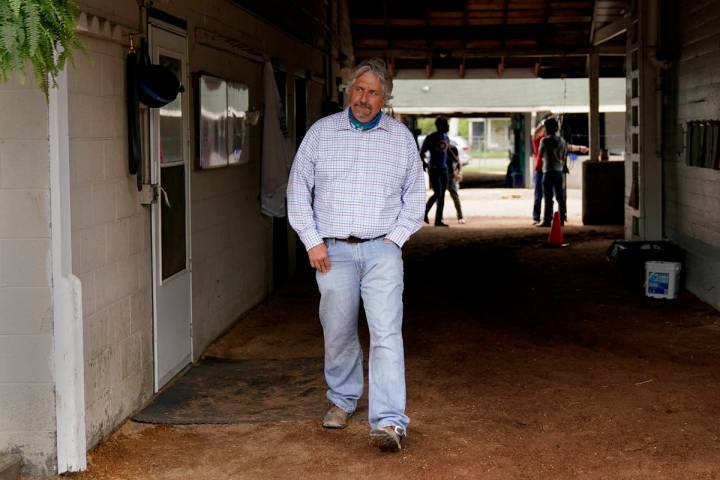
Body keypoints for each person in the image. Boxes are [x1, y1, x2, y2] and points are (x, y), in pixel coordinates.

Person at [287, 58, 425, 453]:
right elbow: (298, 189)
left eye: (373, 92)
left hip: (382, 249)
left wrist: (395, 240)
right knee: (339, 329)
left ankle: (389, 421)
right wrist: (312, 240)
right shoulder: (321, 133)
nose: (364, 98)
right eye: (359, 89)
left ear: (385, 98)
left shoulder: (400, 139)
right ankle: (342, 400)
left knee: (385, 333)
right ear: (351, 90)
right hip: (333, 250)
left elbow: (415, 197)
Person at [420, 117, 451, 227]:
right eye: (446, 124)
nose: (449, 126)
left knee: (442, 195)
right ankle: (423, 213)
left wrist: (456, 161)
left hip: (444, 169)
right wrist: (424, 164)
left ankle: (438, 220)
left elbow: (447, 151)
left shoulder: (446, 138)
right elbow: (422, 152)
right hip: (434, 168)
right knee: (437, 193)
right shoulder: (431, 137)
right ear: (440, 125)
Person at [537, 117, 568, 227]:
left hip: (548, 171)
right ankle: (562, 219)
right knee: (560, 197)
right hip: (559, 171)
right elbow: (564, 156)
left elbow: (540, 155)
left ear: (548, 128)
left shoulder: (544, 141)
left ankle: (547, 220)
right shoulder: (563, 141)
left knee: (548, 198)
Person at [446, 145, 465, 223]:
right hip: (443, 177)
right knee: (439, 197)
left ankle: (460, 216)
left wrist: (459, 173)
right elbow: (450, 169)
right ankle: (439, 217)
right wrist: (456, 174)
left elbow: (459, 164)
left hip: (451, 178)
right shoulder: (444, 156)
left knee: (455, 196)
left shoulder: (454, 154)